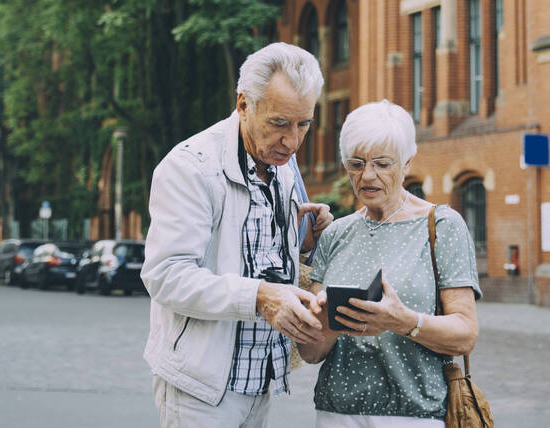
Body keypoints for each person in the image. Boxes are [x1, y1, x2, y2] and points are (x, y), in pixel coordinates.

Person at [141, 42, 334, 427]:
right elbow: (166, 276)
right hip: (201, 389)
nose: (293, 141)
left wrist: (303, 244)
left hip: (260, 381)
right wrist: (259, 297)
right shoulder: (190, 167)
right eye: (279, 123)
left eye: (304, 124)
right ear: (244, 104)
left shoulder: (283, 164)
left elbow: (260, 256)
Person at [297, 100, 483, 427]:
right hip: (337, 414)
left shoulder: (442, 226)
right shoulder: (335, 234)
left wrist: (403, 321)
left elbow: (465, 334)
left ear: (407, 162)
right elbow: (310, 353)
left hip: (414, 416)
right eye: (356, 164)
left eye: (382, 163)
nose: (368, 175)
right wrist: (323, 323)